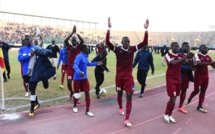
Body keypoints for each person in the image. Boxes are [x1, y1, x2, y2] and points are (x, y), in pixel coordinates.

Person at [106, 17, 149, 127]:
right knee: (120, 93)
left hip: (129, 77)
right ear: (122, 42)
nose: (127, 43)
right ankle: (120, 107)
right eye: (125, 41)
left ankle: (127, 119)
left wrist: (146, 30)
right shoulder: (117, 50)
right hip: (119, 77)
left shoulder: (133, 49)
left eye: (128, 41)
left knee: (129, 96)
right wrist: (108, 28)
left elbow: (144, 42)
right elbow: (107, 42)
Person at [22, 35, 55, 117]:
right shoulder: (22, 49)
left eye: (28, 39)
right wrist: (29, 55)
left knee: (46, 86)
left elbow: (42, 51)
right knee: (32, 90)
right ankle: (32, 108)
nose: (26, 41)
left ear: (31, 40)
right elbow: (20, 58)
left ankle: (45, 79)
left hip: (39, 70)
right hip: (32, 73)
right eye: (25, 40)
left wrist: (47, 52)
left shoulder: (36, 47)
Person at [164, 42, 194, 124]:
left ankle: (170, 114)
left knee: (175, 97)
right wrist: (185, 57)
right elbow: (173, 63)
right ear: (171, 47)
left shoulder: (181, 56)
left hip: (178, 78)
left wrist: (190, 58)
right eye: (175, 46)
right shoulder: (168, 55)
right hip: (171, 78)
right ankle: (166, 114)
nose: (177, 47)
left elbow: (188, 63)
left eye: (178, 46)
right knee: (172, 98)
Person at [72, 45, 103, 117]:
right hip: (77, 79)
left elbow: (88, 63)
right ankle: (75, 105)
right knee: (76, 94)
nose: (88, 49)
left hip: (85, 79)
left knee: (87, 93)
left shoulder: (85, 56)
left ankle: (87, 110)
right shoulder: (79, 56)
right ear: (83, 49)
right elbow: (75, 65)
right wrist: (79, 72)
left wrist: (97, 63)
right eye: (87, 48)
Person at [186, 44, 215, 113]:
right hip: (198, 76)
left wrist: (213, 64)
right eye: (203, 47)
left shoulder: (208, 56)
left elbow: (213, 66)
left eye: (206, 47)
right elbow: (199, 63)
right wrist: (210, 63)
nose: (205, 48)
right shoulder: (197, 55)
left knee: (203, 91)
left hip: (206, 76)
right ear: (200, 49)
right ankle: (190, 98)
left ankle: (199, 106)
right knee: (196, 91)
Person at [64, 26, 84, 100]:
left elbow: (82, 41)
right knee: (69, 83)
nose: (74, 42)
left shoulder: (79, 47)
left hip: (77, 69)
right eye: (73, 41)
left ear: (77, 41)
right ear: (71, 41)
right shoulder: (69, 47)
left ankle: (77, 98)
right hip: (70, 69)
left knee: (77, 84)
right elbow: (65, 41)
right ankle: (71, 92)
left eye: (75, 40)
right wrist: (72, 33)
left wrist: (77, 33)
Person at [178, 42, 195, 114]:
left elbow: (192, 65)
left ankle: (180, 106)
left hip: (186, 76)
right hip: (179, 76)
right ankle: (171, 103)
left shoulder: (190, 55)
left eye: (188, 47)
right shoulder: (179, 55)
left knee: (184, 91)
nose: (188, 48)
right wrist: (190, 68)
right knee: (176, 92)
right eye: (186, 46)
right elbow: (179, 66)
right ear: (182, 47)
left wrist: (192, 60)